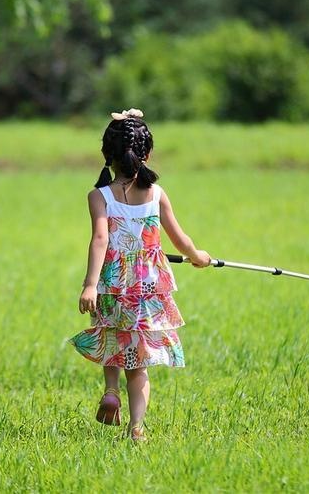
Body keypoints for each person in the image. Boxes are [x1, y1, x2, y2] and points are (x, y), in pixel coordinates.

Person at [70, 108, 210, 442]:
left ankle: (110, 389)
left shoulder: (98, 196)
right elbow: (180, 239)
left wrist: (91, 284)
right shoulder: (156, 194)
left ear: (107, 155)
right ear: (147, 154)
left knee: (109, 336)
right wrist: (197, 256)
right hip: (147, 290)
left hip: (113, 285)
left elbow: (100, 239)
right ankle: (136, 428)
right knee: (138, 361)